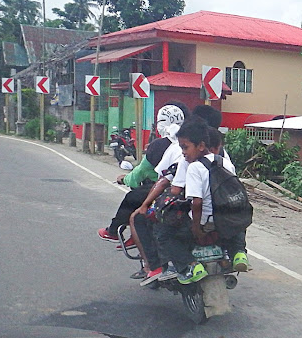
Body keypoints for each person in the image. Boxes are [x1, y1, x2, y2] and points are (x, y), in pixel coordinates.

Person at [97, 102, 189, 278]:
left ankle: (148, 263)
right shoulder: (198, 145)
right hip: (192, 193)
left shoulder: (163, 146)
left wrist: (125, 179)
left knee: (135, 208)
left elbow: (149, 175)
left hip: (167, 192)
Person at [154, 119, 248, 284]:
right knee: (238, 223)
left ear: (201, 146)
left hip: (206, 222)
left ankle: (190, 266)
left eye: (185, 147)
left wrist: (197, 229)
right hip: (226, 221)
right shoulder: (225, 162)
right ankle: (239, 252)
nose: (183, 152)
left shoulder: (194, 167)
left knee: (163, 233)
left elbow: (196, 202)